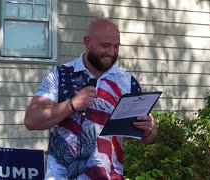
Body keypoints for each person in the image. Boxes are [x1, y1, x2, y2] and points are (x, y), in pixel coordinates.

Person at [24, 17, 157, 180]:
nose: (111, 52)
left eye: (116, 46)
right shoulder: (60, 75)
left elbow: (147, 138)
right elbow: (31, 120)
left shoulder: (127, 82)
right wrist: (72, 105)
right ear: (87, 42)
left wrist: (149, 128)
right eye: (105, 45)